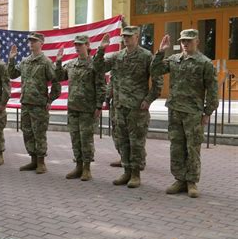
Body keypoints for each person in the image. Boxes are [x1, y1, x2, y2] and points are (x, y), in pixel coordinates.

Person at [151, 29, 218, 198]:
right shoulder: (174, 59)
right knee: (176, 146)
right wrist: (161, 51)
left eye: (189, 40)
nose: (185, 43)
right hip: (175, 111)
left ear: (197, 41)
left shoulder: (205, 63)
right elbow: (156, 70)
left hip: (193, 112)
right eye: (182, 41)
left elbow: (212, 90)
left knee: (193, 147)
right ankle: (179, 179)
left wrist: (207, 112)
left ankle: (192, 182)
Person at [97, 26, 163, 188]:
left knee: (136, 142)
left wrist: (149, 99)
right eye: (123, 36)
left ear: (137, 36)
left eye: (129, 36)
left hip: (137, 108)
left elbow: (158, 80)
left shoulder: (146, 56)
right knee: (123, 140)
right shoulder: (117, 56)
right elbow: (98, 68)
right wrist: (101, 49)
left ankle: (135, 174)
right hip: (119, 106)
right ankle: (126, 171)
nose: (125, 39)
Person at [8, 32, 61, 174]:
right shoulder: (25, 61)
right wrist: (12, 59)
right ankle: (33, 160)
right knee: (27, 132)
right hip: (26, 103)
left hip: (39, 104)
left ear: (41, 43)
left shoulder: (46, 62)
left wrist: (50, 99)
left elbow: (56, 81)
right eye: (29, 41)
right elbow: (12, 74)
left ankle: (41, 163)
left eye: (34, 41)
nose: (31, 43)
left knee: (39, 134)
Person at [55, 35, 107, 181]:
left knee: (86, 139)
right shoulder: (71, 64)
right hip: (73, 107)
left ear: (88, 45)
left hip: (88, 108)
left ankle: (87, 168)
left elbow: (101, 85)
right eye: (76, 44)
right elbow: (59, 76)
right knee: (75, 138)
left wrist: (98, 105)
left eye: (80, 44)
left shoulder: (94, 65)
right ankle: (78, 166)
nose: (77, 47)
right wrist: (58, 62)